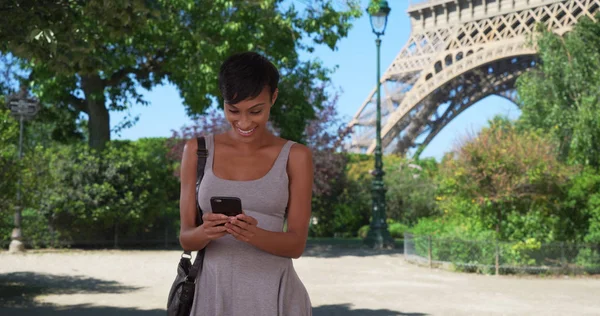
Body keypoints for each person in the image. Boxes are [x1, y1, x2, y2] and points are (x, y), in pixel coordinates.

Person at [178, 52, 314, 316]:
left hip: (275, 297)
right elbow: (186, 238)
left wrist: (253, 235)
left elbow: (296, 245)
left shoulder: (296, 156)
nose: (244, 122)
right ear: (224, 101)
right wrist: (206, 231)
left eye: (256, 111)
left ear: (273, 97)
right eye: (233, 111)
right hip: (212, 295)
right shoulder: (197, 151)